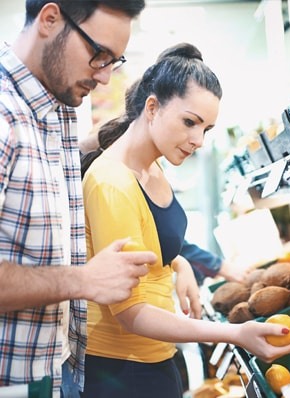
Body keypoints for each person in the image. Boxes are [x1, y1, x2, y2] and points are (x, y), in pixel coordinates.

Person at [81, 43, 290, 398]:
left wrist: (177, 262)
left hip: (154, 357)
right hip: (121, 373)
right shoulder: (112, 182)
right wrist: (234, 334)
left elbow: (147, 238)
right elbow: (130, 311)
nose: (198, 140)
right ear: (152, 107)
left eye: (207, 129)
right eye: (189, 122)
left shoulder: (151, 165)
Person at [0, 1, 157, 397]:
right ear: (50, 20)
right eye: (98, 56)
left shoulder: (57, 107)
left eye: (113, 62)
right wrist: (84, 279)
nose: (105, 78)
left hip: (59, 369)